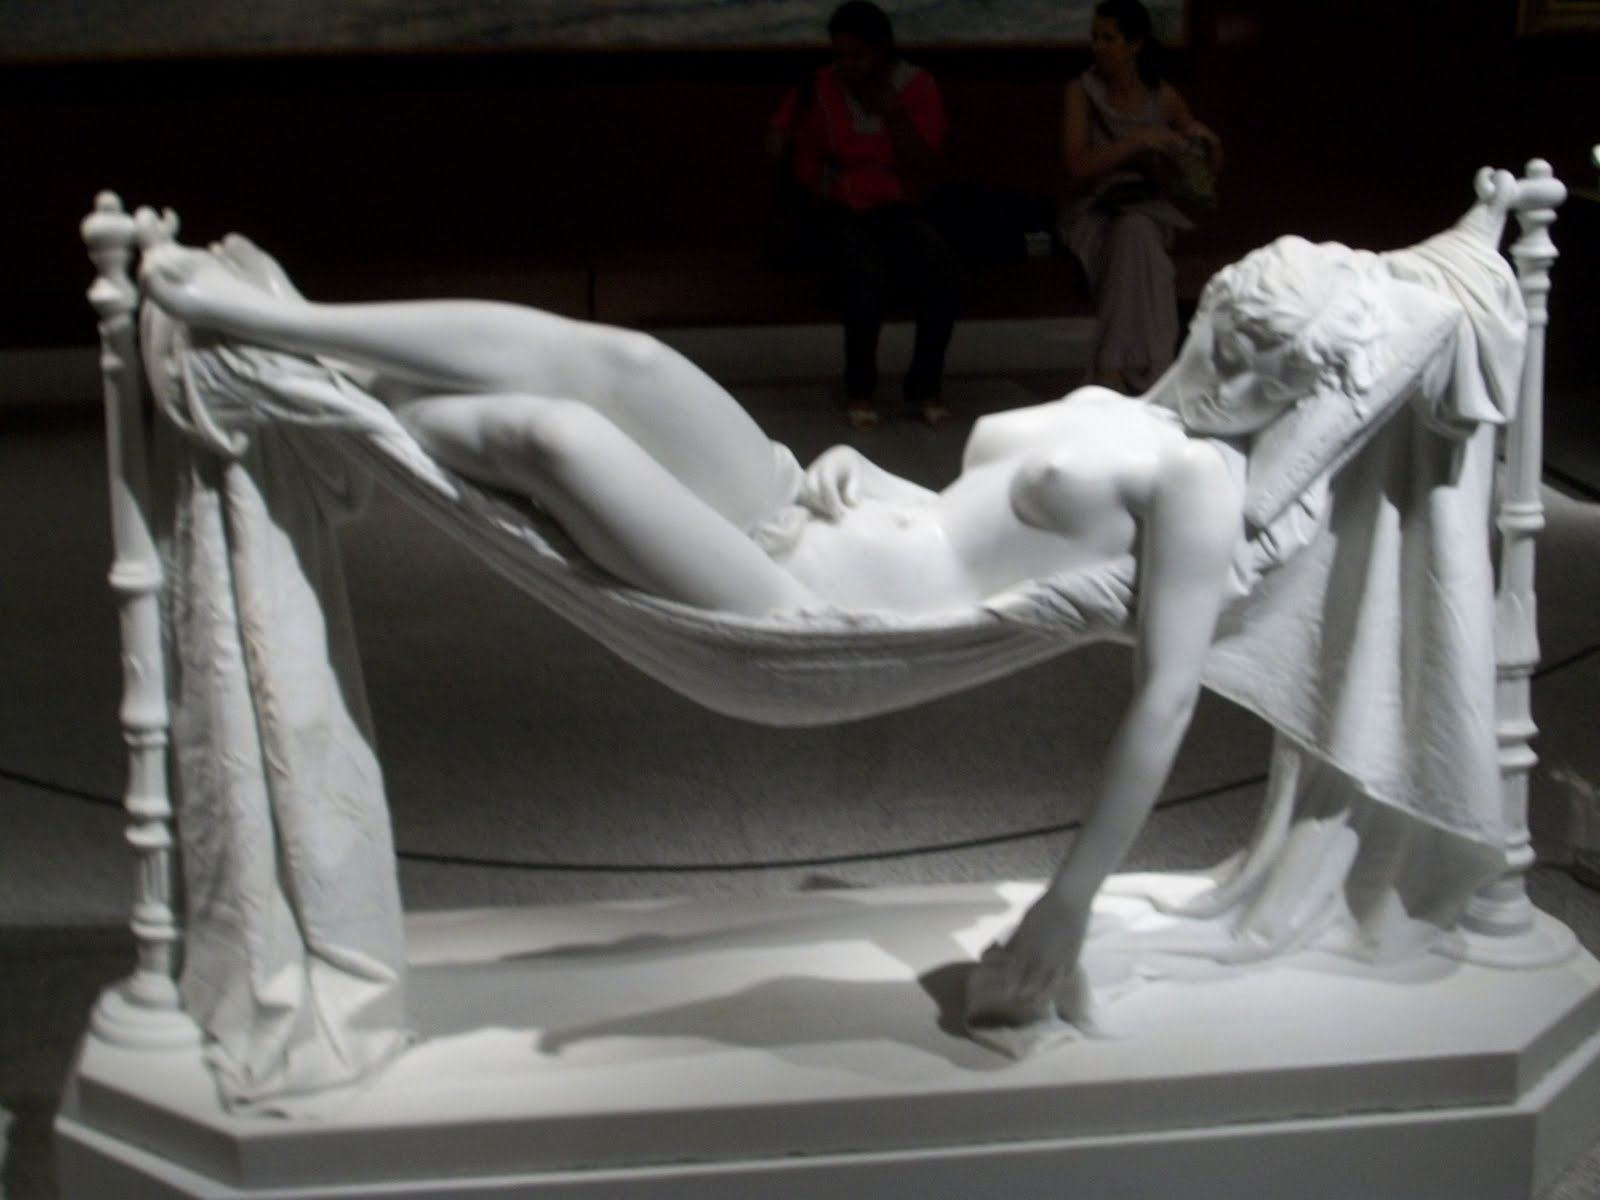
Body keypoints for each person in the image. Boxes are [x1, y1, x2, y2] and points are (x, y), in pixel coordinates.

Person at [138, 218, 1387, 1034]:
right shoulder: (1112, 407)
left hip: (809, 619)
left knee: (542, 434)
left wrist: (1068, 905)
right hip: (796, 506)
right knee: (622, 361)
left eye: (1269, 380)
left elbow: (1166, 699)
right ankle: (294, 331)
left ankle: (307, 392)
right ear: (1211, 301)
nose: (1231, 381)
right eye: (1235, 339)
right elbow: (966, 521)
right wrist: (872, 471)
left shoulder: (1198, 480)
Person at [766, 1, 962, 429]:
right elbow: (782, 141)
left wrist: (892, 110)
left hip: (896, 203)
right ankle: (860, 389)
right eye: (841, 54)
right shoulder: (821, 85)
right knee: (866, 275)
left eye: (859, 55)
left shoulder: (917, 86)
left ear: (883, 50)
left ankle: (925, 386)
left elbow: (925, 162)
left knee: (942, 270)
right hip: (838, 205)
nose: (848, 65)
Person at [1061, 0, 1223, 393]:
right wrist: (1137, 141)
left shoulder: (1163, 97)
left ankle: (1112, 368)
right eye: (1095, 37)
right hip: (1098, 212)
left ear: (1135, 45)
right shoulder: (1082, 92)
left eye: (1109, 38)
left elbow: (1205, 165)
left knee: (1138, 234)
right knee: (1137, 240)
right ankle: (1151, 369)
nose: (1098, 46)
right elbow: (1077, 165)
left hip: (1152, 209)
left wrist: (1206, 142)